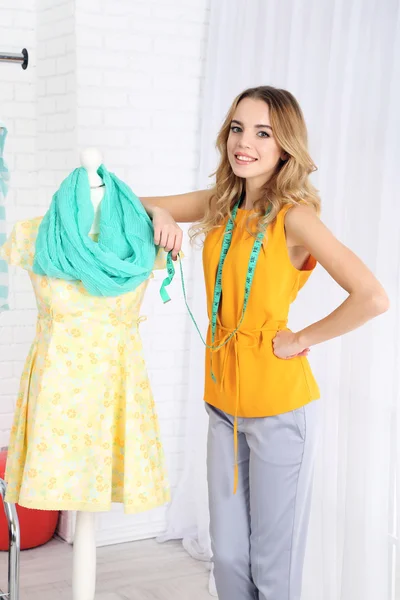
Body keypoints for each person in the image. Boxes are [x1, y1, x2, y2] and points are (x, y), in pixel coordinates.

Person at [140, 86, 389, 600]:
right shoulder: (219, 204)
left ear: (285, 147)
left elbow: (373, 296)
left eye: (262, 132)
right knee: (228, 557)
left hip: (280, 411)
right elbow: (130, 202)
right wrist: (161, 216)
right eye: (237, 128)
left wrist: (301, 338)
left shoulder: (294, 217)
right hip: (222, 404)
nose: (244, 142)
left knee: (272, 566)